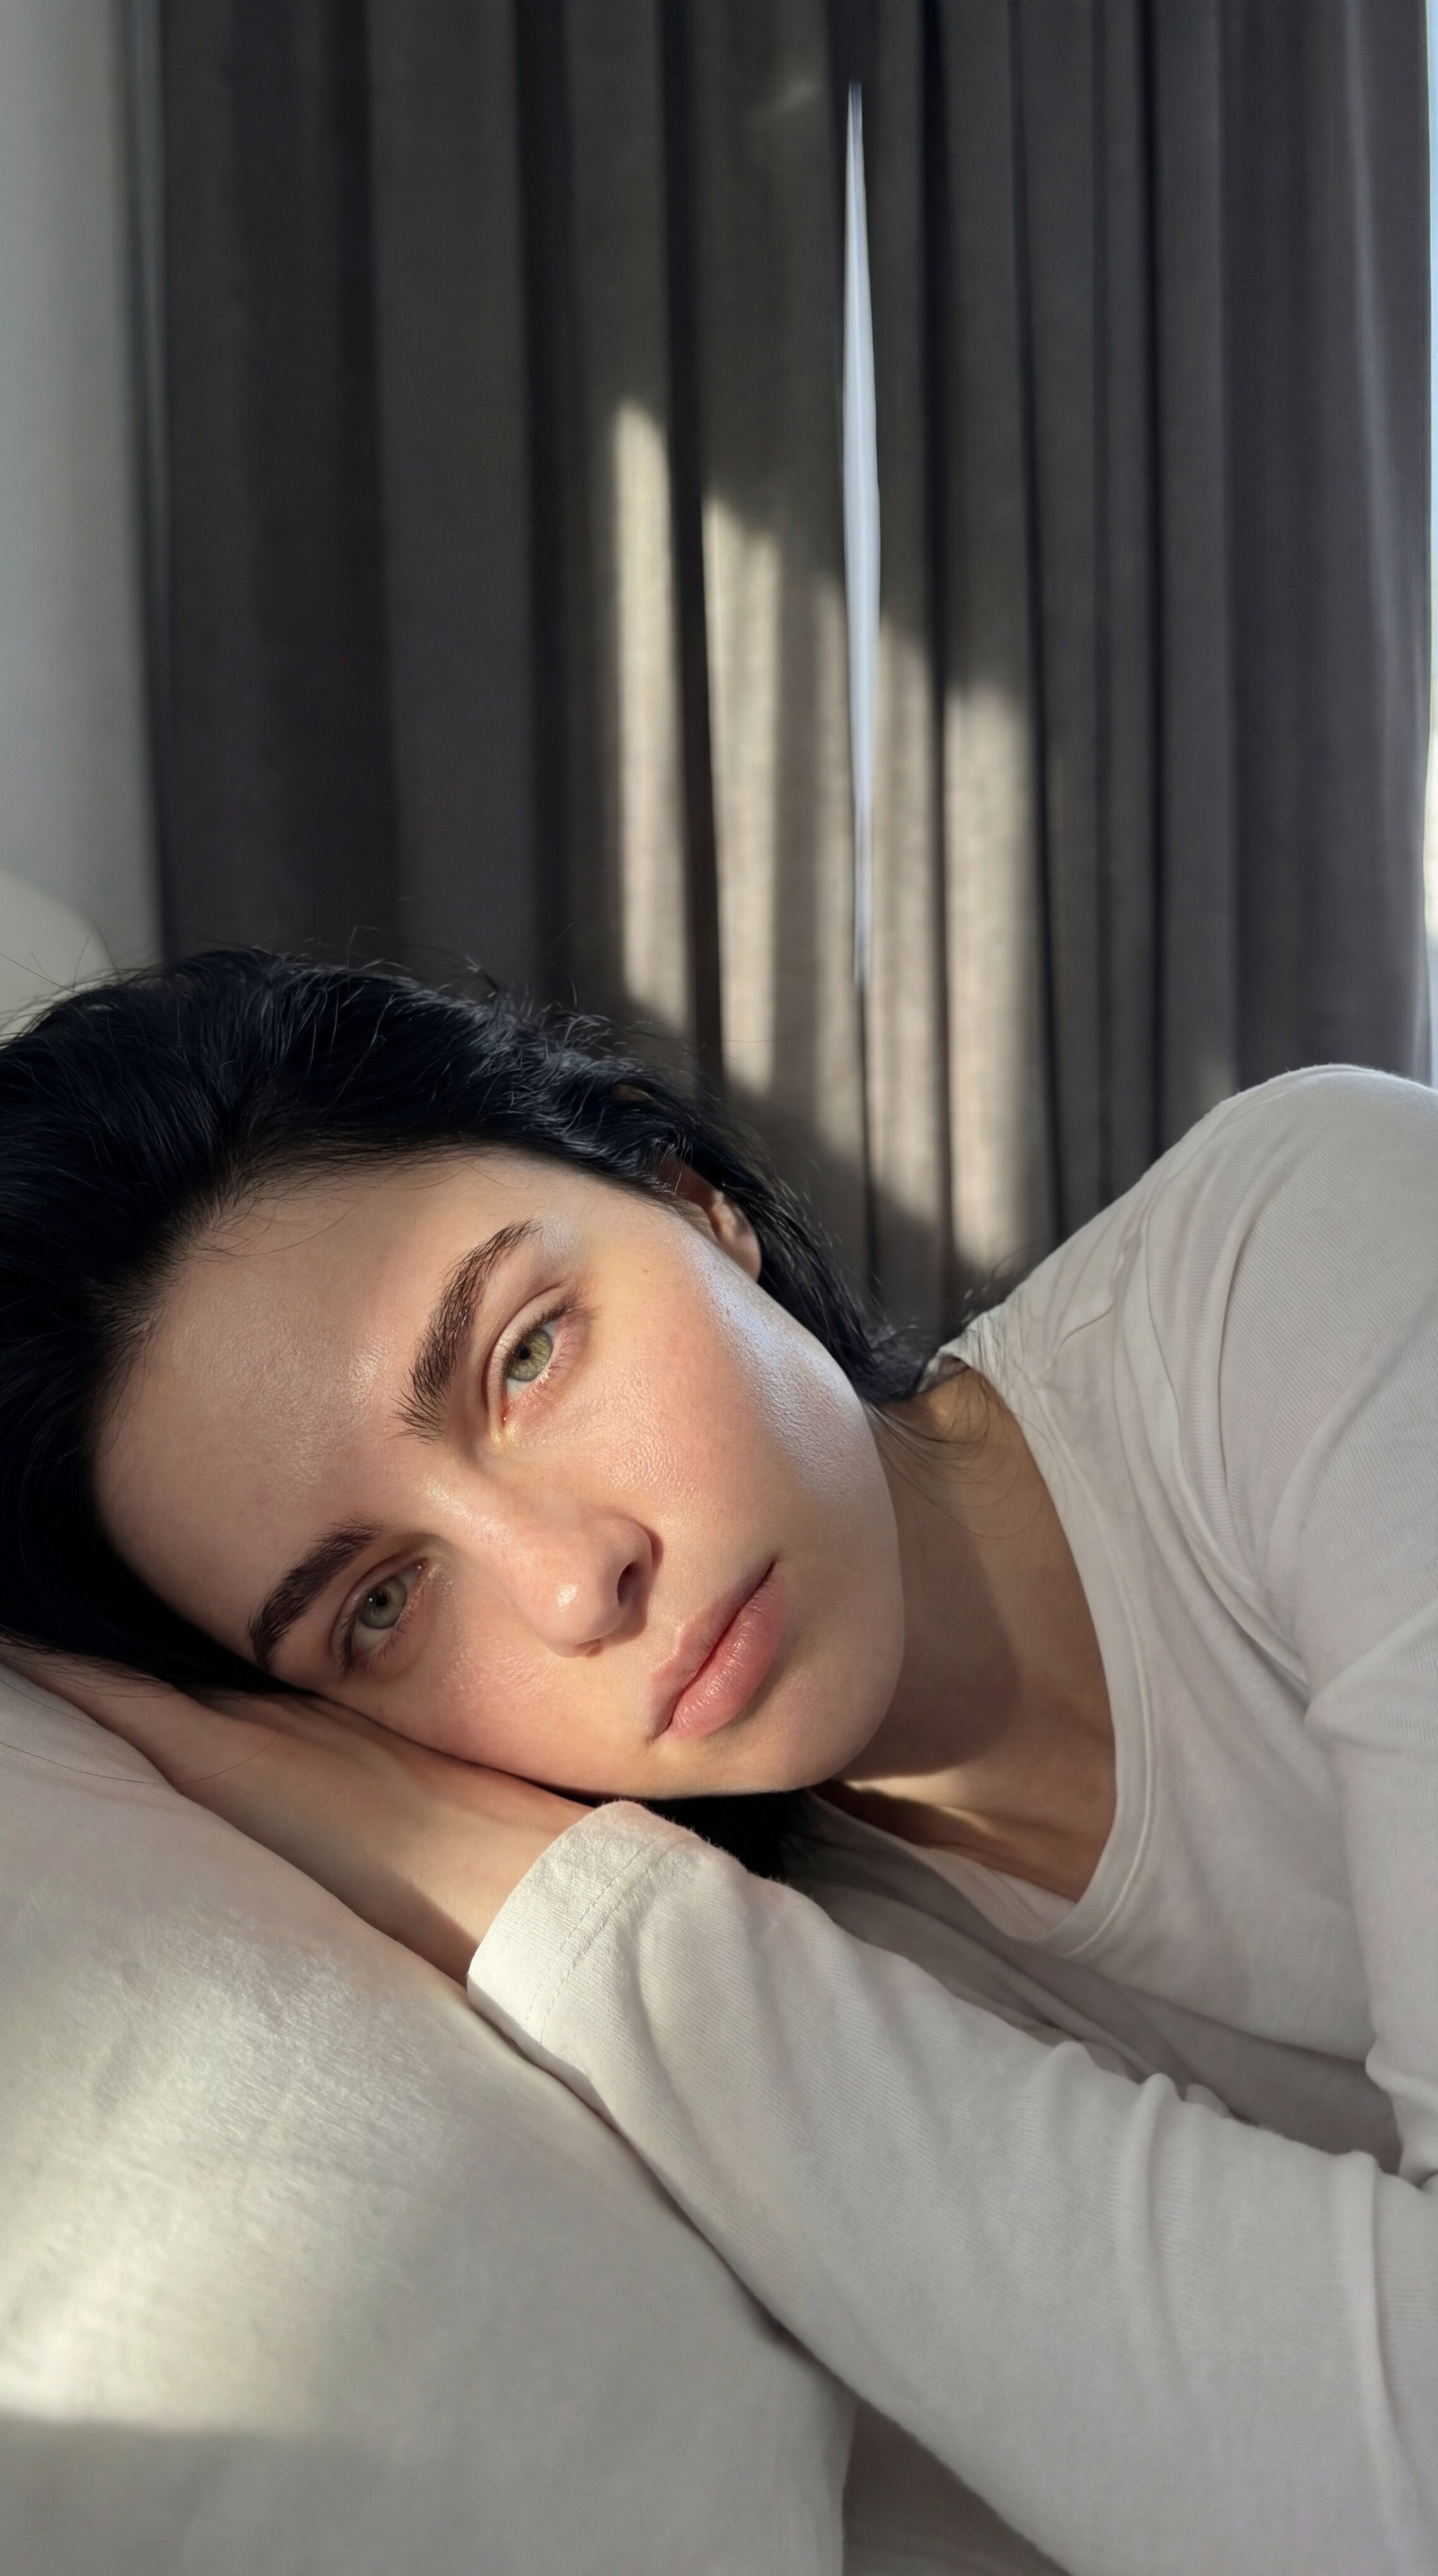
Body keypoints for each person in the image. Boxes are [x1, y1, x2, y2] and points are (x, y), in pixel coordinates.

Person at [0, 948, 1434, 2575]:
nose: (572, 1582)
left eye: (524, 1358)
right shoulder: (804, 1991)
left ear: (692, 1200)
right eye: (382, 1606)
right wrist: (522, 1888)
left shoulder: (1311, 1255)